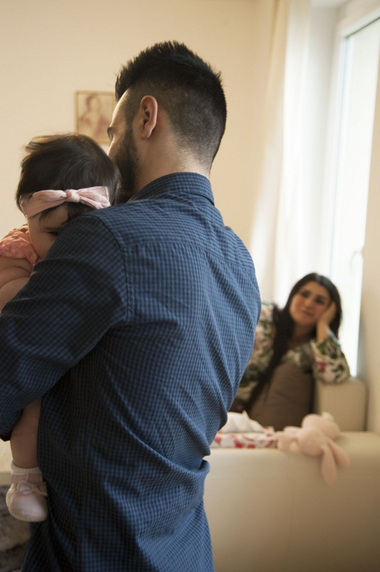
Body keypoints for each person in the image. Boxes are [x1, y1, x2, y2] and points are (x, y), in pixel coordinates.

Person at [0, 42, 260, 571]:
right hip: (183, 547)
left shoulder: (108, 237)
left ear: (146, 116)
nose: (110, 150)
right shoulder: (241, 263)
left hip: (95, 548)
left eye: (113, 133)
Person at [0, 133, 118, 523]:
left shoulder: (103, 252)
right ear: (27, 214)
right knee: (30, 408)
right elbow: (10, 301)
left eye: (78, 237)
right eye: (53, 234)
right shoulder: (17, 251)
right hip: (26, 349)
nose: (63, 248)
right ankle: (25, 479)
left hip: (75, 358)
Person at [232, 273, 350, 416]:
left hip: (243, 418)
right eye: (304, 294)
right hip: (217, 398)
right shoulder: (263, 316)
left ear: (330, 311)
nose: (308, 304)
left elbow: (335, 376)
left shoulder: (312, 350)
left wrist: (323, 324)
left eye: (319, 301)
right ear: (293, 295)